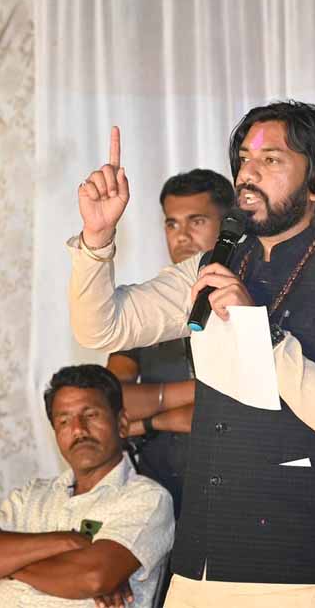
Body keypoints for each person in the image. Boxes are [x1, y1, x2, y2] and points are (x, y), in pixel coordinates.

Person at [68, 101, 315, 606]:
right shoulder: (220, 260)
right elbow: (102, 326)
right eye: (244, 158)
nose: (248, 173)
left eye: (271, 160)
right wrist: (97, 240)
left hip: (300, 567)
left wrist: (258, 328)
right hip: (202, 561)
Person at [0, 364, 175, 608]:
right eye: (64, 421)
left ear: (122, 423)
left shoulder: (145, 498)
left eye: (90, 415)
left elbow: (93, 577)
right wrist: (66, 541)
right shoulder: (32, 494)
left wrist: (6, 565)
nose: (78, 429)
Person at [106, 168, 235, 518]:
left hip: (237, 489)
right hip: (161, 492)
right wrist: (200, 393)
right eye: (172, 224)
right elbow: (113, 402)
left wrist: (152, 421)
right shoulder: (149, 308)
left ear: (228, 225)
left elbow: (243, 407)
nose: (182, 236)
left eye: (197, 221)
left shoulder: (248, 297)